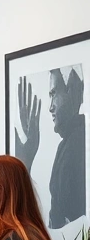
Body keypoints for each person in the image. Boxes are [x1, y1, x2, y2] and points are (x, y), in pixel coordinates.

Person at [16, 67, 86, 229]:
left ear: (71, 91)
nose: (50, 107)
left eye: (54, 94)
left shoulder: (76, 144)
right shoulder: (68, 143)